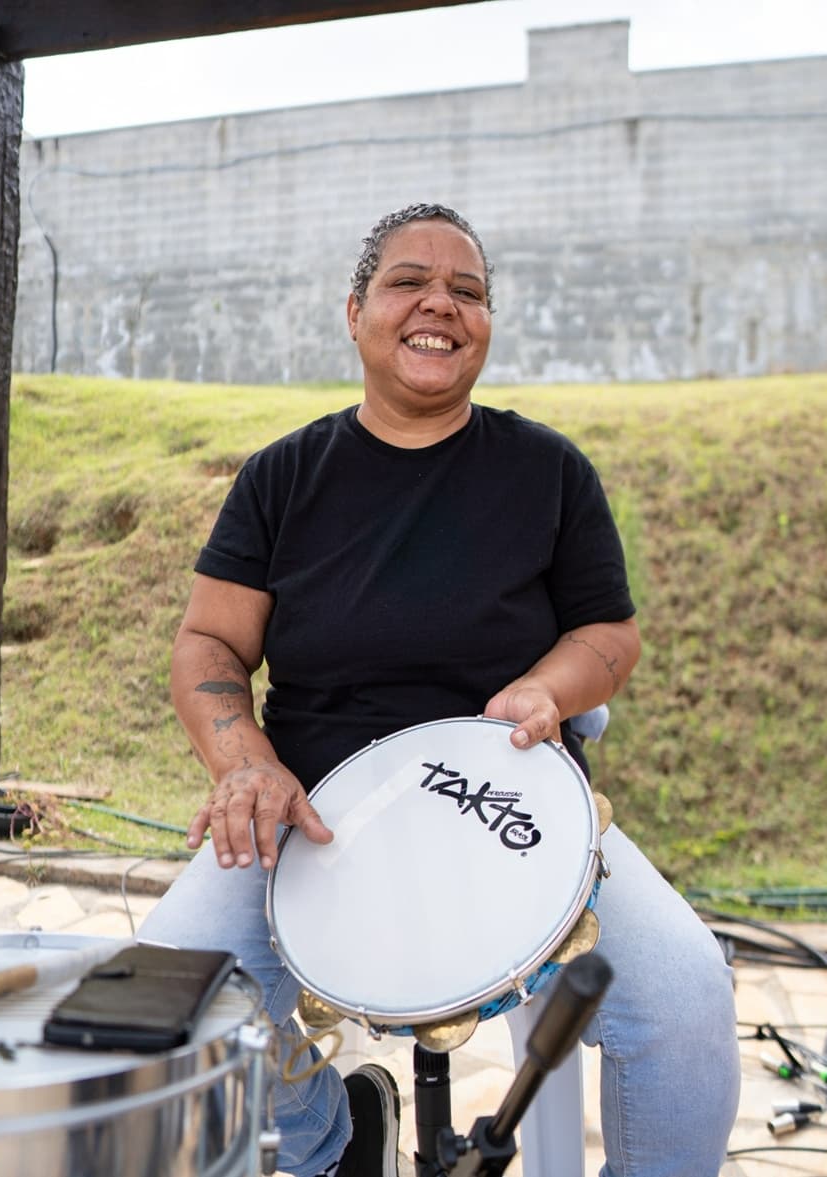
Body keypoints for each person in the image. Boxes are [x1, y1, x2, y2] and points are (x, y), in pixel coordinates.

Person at [139, 203, 740, 1177]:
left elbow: (607, 633)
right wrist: (245, 764)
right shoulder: (282, 478)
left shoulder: (547, 471)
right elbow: (209, 637)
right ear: (355, 311)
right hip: (316, 813)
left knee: (685, 997)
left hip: (514, 805)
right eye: (409, 282)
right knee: (170, 986)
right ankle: (330, 1139)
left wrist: (547, 688)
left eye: (467, 291)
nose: (440, 305)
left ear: (488, 325)